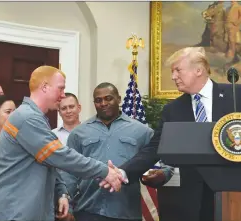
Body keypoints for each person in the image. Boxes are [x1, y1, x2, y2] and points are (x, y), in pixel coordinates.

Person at [101, 47, 241, 221]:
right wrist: (123, 172)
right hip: (192, 201)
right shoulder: (173, 109)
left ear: (199, 70)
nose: (173, 77)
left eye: (178, 70)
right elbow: (155, 147)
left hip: (237, 195)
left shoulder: (237, 95)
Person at [0, 66, 123, 221]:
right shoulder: (27, 118)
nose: (63, 94)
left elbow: (48, 163)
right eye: (61, 88)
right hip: (15, 211)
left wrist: (62, 193)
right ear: (45, 87)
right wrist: (105, 171)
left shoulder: (34, 118)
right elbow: (59, 156)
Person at [68, 82, 172, 221]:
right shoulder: (78, 133)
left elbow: (163, 159)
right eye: (98, 100)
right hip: (88, 209)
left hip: (126, 210)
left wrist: (163, 174)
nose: (103, 103)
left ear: (119, 99)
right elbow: (69, 173)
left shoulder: (141, 131)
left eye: (108, 98)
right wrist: (67, 205)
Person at [52, 92, 82, 221]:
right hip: (59, 194)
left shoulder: (91, 133)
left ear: (79, 108)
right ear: (59, 112)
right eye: (64, 108)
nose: (68, 111)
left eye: (72, 107)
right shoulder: (51, 136)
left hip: (86, 196)